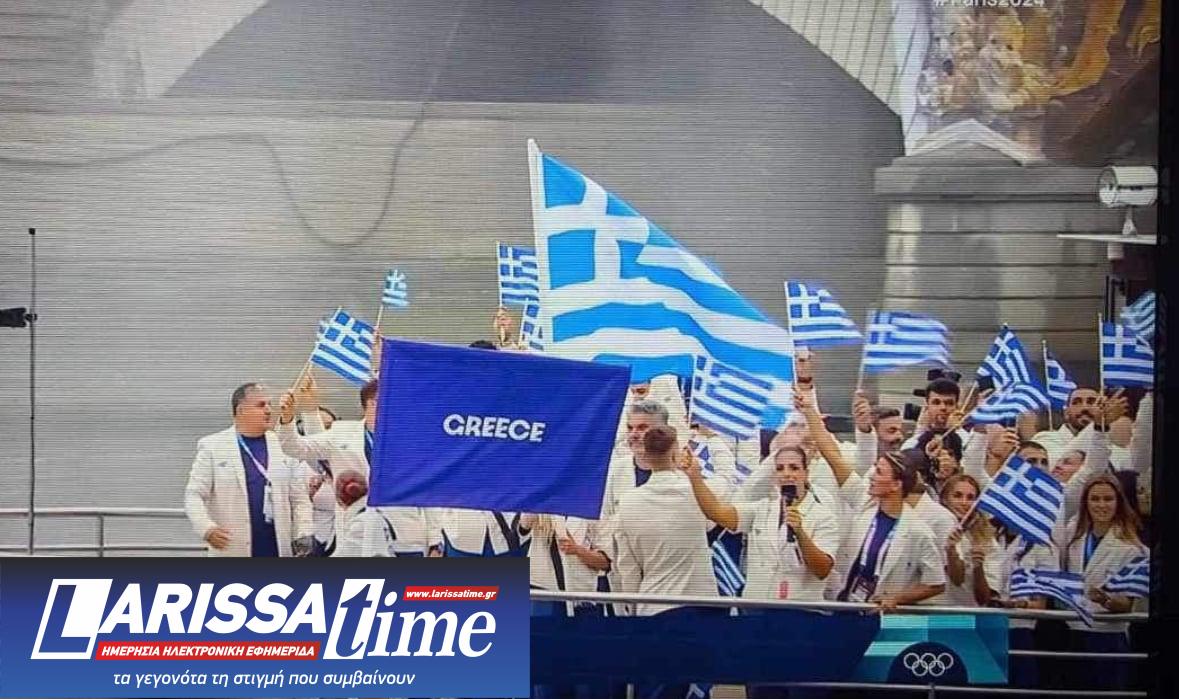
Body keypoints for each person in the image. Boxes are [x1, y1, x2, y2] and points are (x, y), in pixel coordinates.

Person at [795, 390, 945, 609]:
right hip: (844, 606)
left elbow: (936, 583)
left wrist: (898, 598)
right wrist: (809, 410)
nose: (872, 476)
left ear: (896, 484)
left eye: (880, 472)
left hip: (880, 616)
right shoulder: (865, 500)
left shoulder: (918, 531)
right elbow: (831, 454)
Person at [612, 425, 721, 699]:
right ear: (675, 453)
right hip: (699, 605)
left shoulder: (628, 503)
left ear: (645, 456)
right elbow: (718, 511)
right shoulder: (698, 493)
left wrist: (634, 610)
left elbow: (628, 569)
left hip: (654, 606)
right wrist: (709, 451)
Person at [184, 382, 313, 557]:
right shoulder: (213, 446)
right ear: (241, 410)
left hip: (277, 549)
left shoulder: (284, 445)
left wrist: (303, 532)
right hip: (233, 548)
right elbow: (194, 495)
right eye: (261, 405)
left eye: (270, 404)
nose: (268, 410)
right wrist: (206, 528)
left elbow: (299, 499)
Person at [1062, 474, 1148, 691]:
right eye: (1095, 499)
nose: (1101, 505)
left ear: (1118, 502)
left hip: (1108, 637)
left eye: (1108, 499)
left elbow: (1127, 605)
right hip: (1074, 632)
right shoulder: (1074, 536)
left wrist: (1106, 600)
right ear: (1086, 502)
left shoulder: (1132, 548)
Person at [1033, 387, 1130, 470]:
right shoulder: (1045, 438)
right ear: (1066, 413)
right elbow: (1058, 463)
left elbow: (1133, 468)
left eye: (1091, 402)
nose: (1085, 408)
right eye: (1076, 402)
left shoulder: (1113, 448)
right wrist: (1099, 424)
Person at [938, 474, 991, 608]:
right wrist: (951, 550)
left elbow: (984, 598)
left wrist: (978, 567)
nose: (964, 502)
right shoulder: (932, 527)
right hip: (931, 611)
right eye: (957, 496)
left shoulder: (987, 540)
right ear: (945, 499)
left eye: (970, 498)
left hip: (966, 613)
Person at [902, 378, 969, 449]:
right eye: (936, 403)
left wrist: (954, 429)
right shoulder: (912, 444)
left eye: (949, 403)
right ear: (927, 406)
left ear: (957, 407)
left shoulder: (968, 441)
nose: (943, 407)